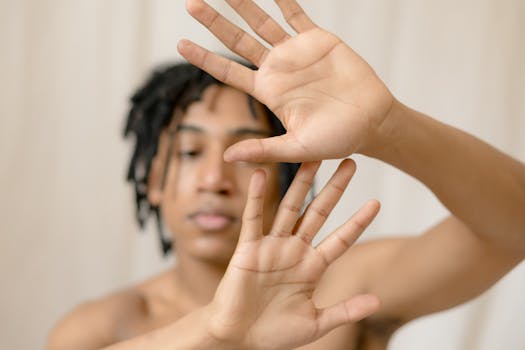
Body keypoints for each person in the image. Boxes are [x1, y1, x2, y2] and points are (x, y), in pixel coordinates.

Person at [46, 0, 525, 349]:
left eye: (246, 151)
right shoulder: (99, 328)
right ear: (150, 180)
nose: (215, 178)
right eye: (190, 151)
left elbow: (515, 226)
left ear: (289, 172)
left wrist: (388, 127)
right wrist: (216, 327)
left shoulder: (347, 287)